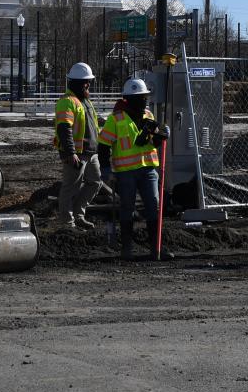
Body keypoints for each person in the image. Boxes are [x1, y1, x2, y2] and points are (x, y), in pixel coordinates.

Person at [98, 78, 172, 261]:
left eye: (145, 97)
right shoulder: (116, 119)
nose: (144, 101)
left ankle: (156, 248)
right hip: (126, 172)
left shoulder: (148, 115)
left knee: (153, 207)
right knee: (127, 208)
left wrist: (161, 135)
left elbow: (154, 142)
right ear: (129, 99)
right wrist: (106, 169)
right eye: (141, 97)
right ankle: (127, 249)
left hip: (148, 169)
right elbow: (103, 145)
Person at [53, 62, 103, 229]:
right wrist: (70, 152)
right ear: (75, 83)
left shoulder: (86, 101)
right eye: (85, 82)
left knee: (95, 183)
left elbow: (92, 127)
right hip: (76, 153)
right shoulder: (67, 102)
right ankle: (67, 223)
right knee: (70, 188)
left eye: (88, 81)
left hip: (90, 152)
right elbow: (64, 128)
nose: (88, 84)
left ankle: (78, 214)